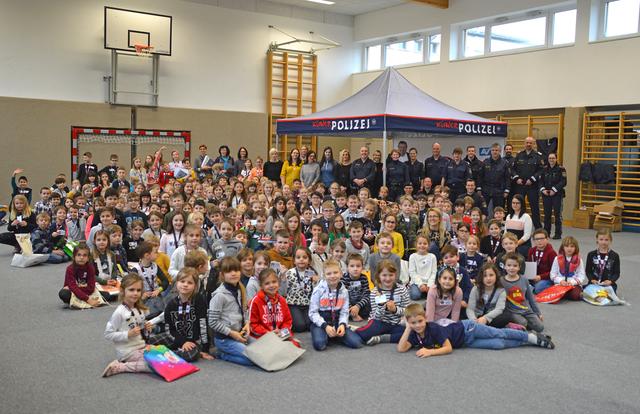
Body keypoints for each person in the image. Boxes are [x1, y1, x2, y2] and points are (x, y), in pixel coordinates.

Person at [397, 303, 554, 358]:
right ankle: (524, 342)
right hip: (467, 342)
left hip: (468, 329)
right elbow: (401, 349)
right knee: (498, 344)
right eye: (413, 323)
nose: (418, 325)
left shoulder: (434, 328)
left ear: (425, 318)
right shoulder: (414, 334)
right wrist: (407, 329)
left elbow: (448, 348)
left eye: (420, 321)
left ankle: (529, 337)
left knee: (498, 333)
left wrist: (429, 352)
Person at [102, 273, 162, 377]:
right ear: (122, 291)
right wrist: (128, 334)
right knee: (155, 365)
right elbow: (108, 334)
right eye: (131, 290)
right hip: (127, 352)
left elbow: (139, 329)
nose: (135, 293)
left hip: (141, 347)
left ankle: (132, 362)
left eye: (138, 290)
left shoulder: (140, 309)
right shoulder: (119, 312)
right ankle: (120, 367)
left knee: (163, 357)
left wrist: (146, 329)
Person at [149, 268, 213, 361]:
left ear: (195, 286)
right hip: (175, 338)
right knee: (148, 342)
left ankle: (164, 354)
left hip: (193, 341)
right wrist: (182, 342)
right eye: (182, 281)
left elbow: (203, 325)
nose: (185, 285)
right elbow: (168, 330)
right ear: (177, 283)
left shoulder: (199, 300)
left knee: (192, 354)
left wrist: (205, 349)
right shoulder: (171, 304)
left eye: (190, 283)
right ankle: (169, 353)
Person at [208, 257, 254, 366]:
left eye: (236, 270)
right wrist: (231, 333)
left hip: (240, 334)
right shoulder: (219, 295)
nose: (233, 274)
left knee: (261, 352)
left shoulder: (240, 289)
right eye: (229, 271)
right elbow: (212, 322)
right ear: (222, 275)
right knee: (252, 359)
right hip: (225, 339)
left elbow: (244, 310)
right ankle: (221, 354)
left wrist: (247, 323)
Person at [309, 260, 363, 351]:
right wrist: (325, 326)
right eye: (329, 273)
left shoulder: (344, 291)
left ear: (341, 274)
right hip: (321, 322)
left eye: (335, 272)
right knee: (320, 345)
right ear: (324, 275)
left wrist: (342, 324)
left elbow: (344, 311)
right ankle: (326, 333)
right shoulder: (318, 290)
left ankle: (334, 334)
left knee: (357, 343)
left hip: (337, 320)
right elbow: (312, 313)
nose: (333, 276)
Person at [356, 260, 410, 346]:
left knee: (412, 334)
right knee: (360, 335)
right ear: (378, 276)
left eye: (391, 275)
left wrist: (395, 309)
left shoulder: (402, 289)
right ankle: (357, 328)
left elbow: (407, 311)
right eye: (384, 275)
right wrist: (381, 305)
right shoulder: (375, 292)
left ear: (395, 275)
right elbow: (376, 317)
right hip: (379, 322)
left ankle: (382, 338)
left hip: (396, 323)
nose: (388, 278)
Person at [248, 268, 299, 346]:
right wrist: (268, 334)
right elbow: (253, 325)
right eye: (267, 283)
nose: (271, 285)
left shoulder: (282, 300)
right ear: (261, 286)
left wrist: (282, 332)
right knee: (270, 348)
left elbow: (287, 321)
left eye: (274, 282)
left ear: (278, 283)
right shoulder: (255, 301)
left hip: (280, 333)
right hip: (263, 335)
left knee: (295, 345)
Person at [498, 252, 544, 332]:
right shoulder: (501, 281)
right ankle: (514, 324)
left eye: (515, 266)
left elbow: (530, 298)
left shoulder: (524, 279)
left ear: (519, 267)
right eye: (509, 265)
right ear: (504, 266)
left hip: (526, 310)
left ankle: (525, 324)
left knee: (540, 327)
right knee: (523, 323)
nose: (511, 268)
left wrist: (538, 312)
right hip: (512, 312)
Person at [281, 247, 318, 332]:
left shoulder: (311, 273)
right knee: (300, 326)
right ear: (294, 260)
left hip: (307, 304)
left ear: (309, 261)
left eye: (304, 257)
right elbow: (283, 291)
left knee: (310, 325)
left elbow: (315, 291)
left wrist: (316, 282)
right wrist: (283, 279)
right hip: (293, 304)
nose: (301, 260)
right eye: (298, 257)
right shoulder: (290, 272)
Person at [511, 136, 544, 229]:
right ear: (524, 144)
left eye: (530, 143)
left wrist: (533, 179)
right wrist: (516, 178)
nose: (528, 144)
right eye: (527, 143)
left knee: (534, 207)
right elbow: (512, 169)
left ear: (533, 144)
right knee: (519, 206)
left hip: (532, 186)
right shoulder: (519, 155)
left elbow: (541, 170)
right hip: (520, 185)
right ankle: (519, 226)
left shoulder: (538, 156)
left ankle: (538, 228)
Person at [59, 243, 105, 308]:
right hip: (73, 293)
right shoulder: (70, 269)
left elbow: (91, 288)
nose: (81, 257)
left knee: (107, 295)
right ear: (74, 256)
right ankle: (83, 299)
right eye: (79, 255)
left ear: (88, 258)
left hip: (85, 291)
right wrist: (88, 299)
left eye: (85, 255)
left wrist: (76, 288)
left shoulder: (90, 268)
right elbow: (73, 288)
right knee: (63, 294)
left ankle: (80, 300)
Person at [549, 236, 587, 301]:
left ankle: (565, 294)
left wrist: (572, 282)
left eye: (572, 246)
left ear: (576, 248)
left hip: (573, 284)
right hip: (560, 283)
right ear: (563, 247)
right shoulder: (557, 259)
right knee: (552, 294)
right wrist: (560, 281)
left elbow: (581, 276)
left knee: (575, 295)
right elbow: (553, 274)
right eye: (566, 246)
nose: (569, 249)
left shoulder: (579, 260)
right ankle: (564, 294)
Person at [540, 153, 566, 239]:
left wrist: (554, 190)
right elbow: (540, 181)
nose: (551, 160)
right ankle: (546, 232)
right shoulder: (544, 169)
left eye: (553, 158)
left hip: (557, 194)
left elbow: (563, 182)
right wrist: (543, 189)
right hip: (546, 194)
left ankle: (558, 234)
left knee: (557, 214)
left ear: (556, 159)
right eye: (550, 158)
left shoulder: (561, 169)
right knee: (547, 214)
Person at [481, 143, 511, 216]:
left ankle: (498, 225)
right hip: (486, 190)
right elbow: (480, 176)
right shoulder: (485, 162)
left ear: (500, 151)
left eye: (496, 150)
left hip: (499, 190)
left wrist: (507, 190)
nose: (494, 152)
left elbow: (507, 178)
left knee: (499, 211)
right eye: (493, 150)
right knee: (483, 210)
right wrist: (479, 188)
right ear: (490, 151)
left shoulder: (504, 163)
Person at [341, 254, 371, 321]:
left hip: (360, 305)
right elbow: (342, 296)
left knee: (371, 301)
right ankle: (353, 315)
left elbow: (366, 294)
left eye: (358, 266)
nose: (355, 269)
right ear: (347, 267)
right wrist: (351, 308)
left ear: (362, 267)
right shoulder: (344, 278)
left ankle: (355, 314)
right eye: (352, 266)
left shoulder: (364, 278)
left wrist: (358, 306)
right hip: (348, 304)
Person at [527, 229, 557, 294]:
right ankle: (531, 288)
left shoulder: (551, 253)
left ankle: (532, 289)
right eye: (536, 239)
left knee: (539, 288)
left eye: (542, 238)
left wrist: (541, 277)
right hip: (533, 277)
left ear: (547, 239)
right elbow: (529, 265)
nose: (539, 241)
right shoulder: (531, 250)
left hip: (546, 278)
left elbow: (554, 272)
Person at [408, 234, 437, 300]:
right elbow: (412, 272)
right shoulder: (413, 256)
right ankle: (423, 292)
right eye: (420, 243)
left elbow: (433, 272)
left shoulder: (432, 257)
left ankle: (426, 292)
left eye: (425, 243)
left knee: (435, 295)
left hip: (429, 282)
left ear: (428, 245)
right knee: (415, 295)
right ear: (416, 245)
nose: (422, 245)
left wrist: (429, 285)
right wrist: (420, 284)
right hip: (416, 283)